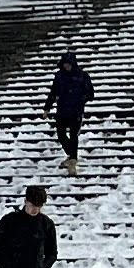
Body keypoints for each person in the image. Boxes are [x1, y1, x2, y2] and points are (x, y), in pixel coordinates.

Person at [46, 44, 92, 172]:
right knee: (61, 134)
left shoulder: (83, 76)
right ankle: (72, 156)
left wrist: (81, 100)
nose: (66, 67)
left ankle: (72, 159)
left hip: (76, 110)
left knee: (73, 134)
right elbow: (53, 92)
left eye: (68, 64)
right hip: (62, 110)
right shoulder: (59, 76)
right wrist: (47, 107)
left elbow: (90, 93)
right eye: (65, 64)